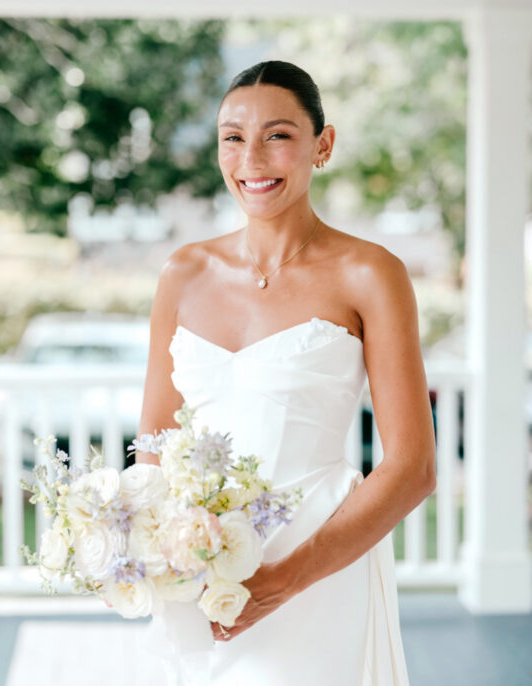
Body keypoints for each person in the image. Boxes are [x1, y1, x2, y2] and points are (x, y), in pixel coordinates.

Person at [133, 61, 435, 684]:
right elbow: (155, 448)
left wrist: (286, 580)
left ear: (322, 145)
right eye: (233, 137)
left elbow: (413, 467)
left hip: (318, 566)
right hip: (204, 579)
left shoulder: (371, 274)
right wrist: (157, 555)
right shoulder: (182, 275)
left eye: (278, 135)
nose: (252, 158)